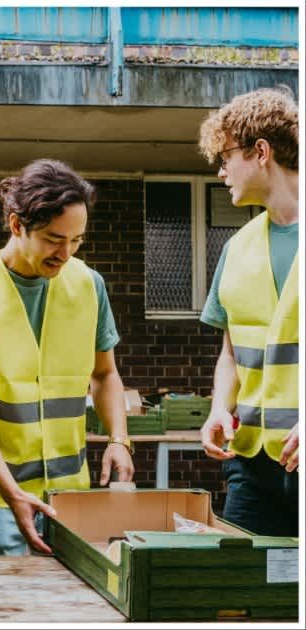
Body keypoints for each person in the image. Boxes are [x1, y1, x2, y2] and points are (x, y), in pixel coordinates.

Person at [0, 159, 135, 556]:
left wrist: (119, 440)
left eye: (76, 240)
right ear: (17, 225)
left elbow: (105, 375)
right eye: (55, 239)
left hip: (68, 499)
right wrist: (10, 492)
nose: (66, 253)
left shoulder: (90, 284)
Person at [196, 87, 298, 537]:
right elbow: (231, 353)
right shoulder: (236, 248)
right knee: (241, 597)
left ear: (260, 152)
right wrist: (220, 406)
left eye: (225, 157)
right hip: (253, 464)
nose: (221, 172)